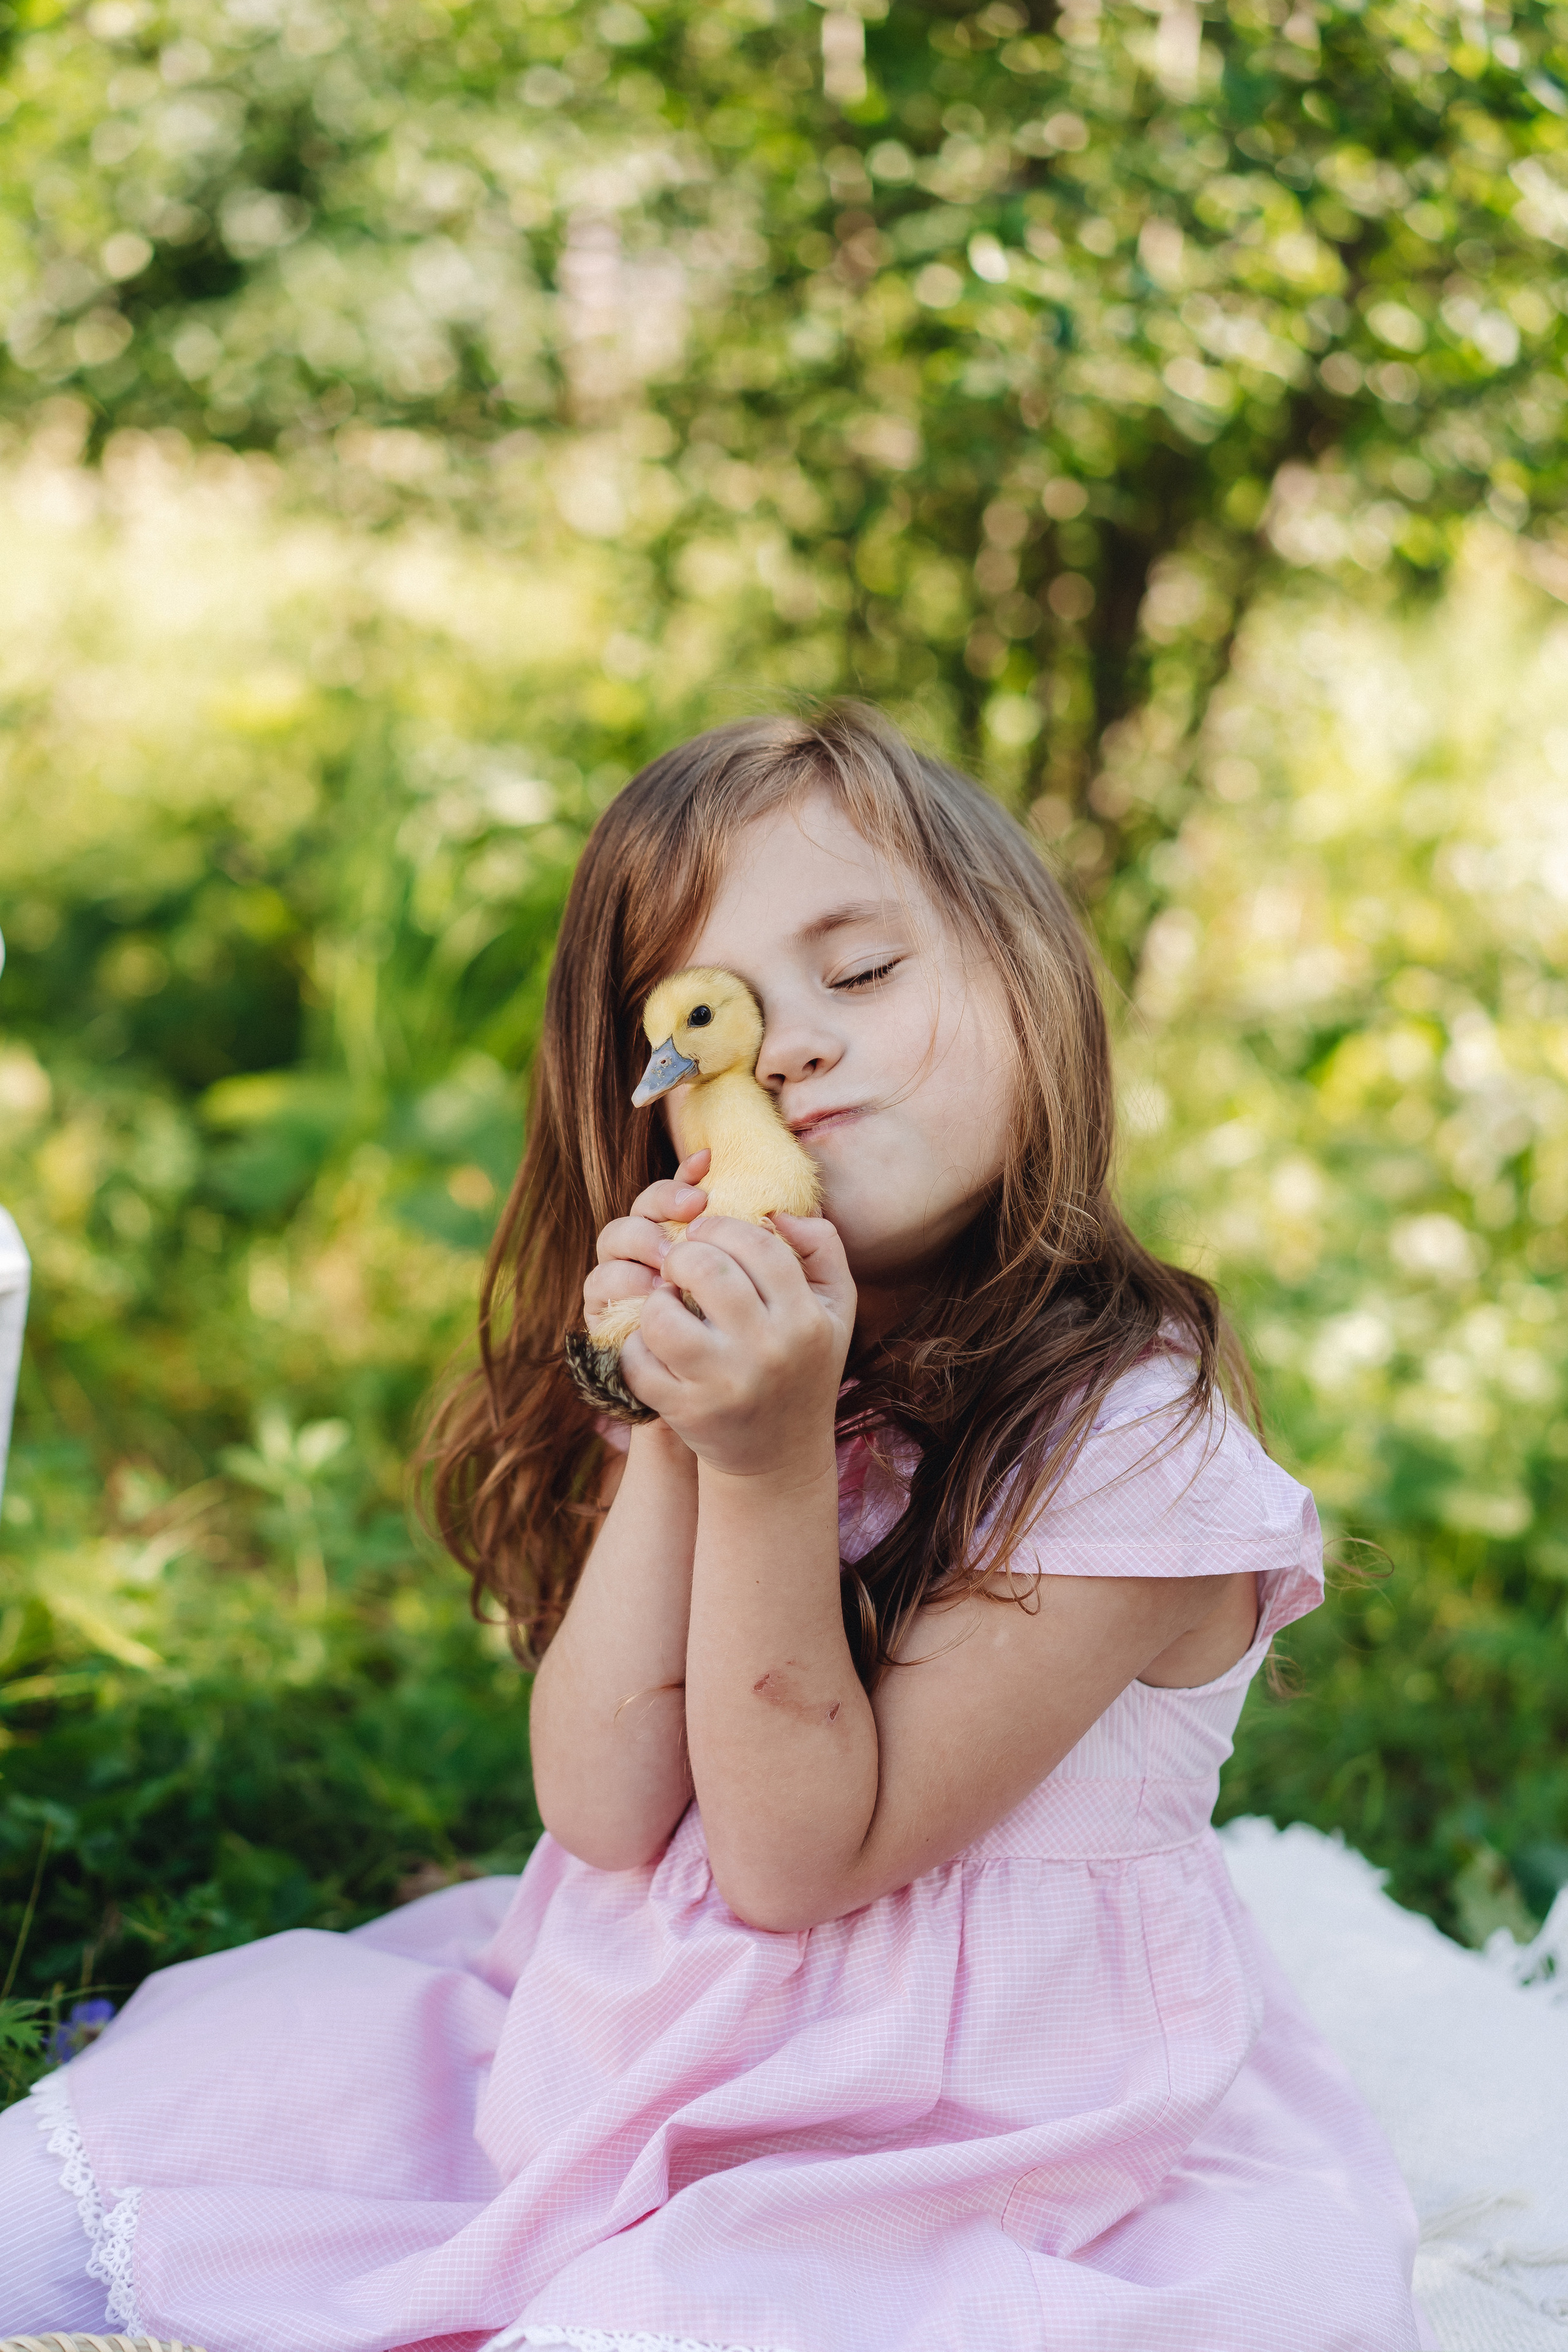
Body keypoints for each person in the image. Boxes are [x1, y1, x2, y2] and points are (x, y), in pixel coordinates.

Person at [0, 708, 1430, 2351]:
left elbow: (798, 1857)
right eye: (720, 1023)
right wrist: (688, 1431)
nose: (788, 1052)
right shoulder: (747, 1367)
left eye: (862, 974)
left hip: (953, 2144)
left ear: (1033, 986)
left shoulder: (1131, 1445)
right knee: (64, 2212)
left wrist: (768, 1465)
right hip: (616, 2061)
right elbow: (604, 1809)